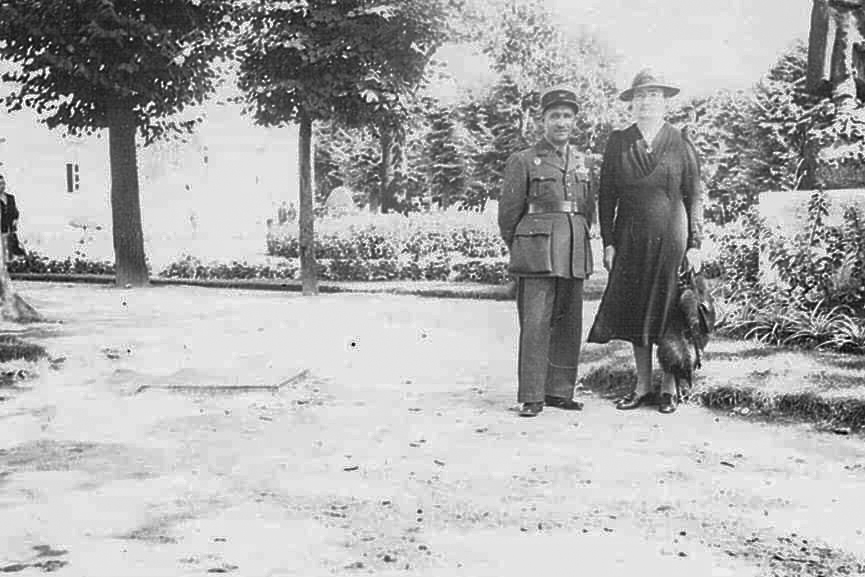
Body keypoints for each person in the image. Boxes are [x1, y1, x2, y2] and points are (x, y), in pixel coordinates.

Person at [586, 69, 704, 414]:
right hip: (631, 237)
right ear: (631, 103)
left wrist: (695, 243)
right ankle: (640, 386)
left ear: (664, 102)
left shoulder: (681, 141)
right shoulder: (619, 142)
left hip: (672, 238)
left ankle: (668, 388)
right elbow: (606, 196)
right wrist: (608, 241)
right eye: (640, 96)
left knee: (669, 310)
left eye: (653, 96)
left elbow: (695, 195)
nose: (646, 102)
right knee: (638, 307)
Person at [498, 86, 595, 418]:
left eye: (567, 116)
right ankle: (532, 395)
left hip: (573, 247)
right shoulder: (523, 160)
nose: (561, 122)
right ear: (543, 120)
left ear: (574, 121)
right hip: (536, 249)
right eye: (555, 116)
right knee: (536, 322)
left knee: (569, 321)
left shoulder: (583, 162)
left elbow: (588, 209)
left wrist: (578, 236)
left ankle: (559, 391)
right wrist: (522, 246)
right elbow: (508, 215)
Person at [0, 174, 22, 261]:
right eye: (0, 184)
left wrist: (16, 219)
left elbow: (15, 212)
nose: (2, 186)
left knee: (10, 254)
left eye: (3, 183)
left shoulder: (10, 198)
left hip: (10, 231)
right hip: (1, 230)